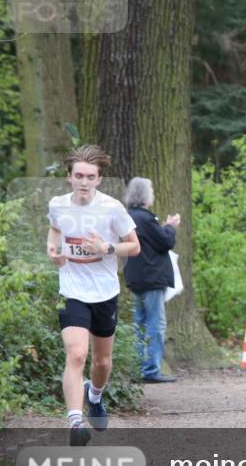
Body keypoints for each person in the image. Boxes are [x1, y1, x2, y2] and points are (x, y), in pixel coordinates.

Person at [46, 145, 140, 445]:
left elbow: (134, 246)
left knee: (101, 362)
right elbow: (54, 229)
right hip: (72, 290)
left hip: (104, 292)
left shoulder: (112, 208)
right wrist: (53, 251)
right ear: (69, 177)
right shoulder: (58, 204)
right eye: (78, 176)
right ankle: (75, 423)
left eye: (90, 176)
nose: (84, 182)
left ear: (99, 179)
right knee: (76, 354)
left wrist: (107, 249)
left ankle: (95, 395)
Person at [124, 177, 180, 384]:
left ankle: (139, 366)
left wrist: (163, 226)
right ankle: (151, 369)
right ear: (145, 194)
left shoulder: (129, 216)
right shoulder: (146, 218)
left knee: (139, 323)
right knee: (156, 324)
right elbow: (165, 242)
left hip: (136, 276)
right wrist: (171, 227)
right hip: (152, 277)